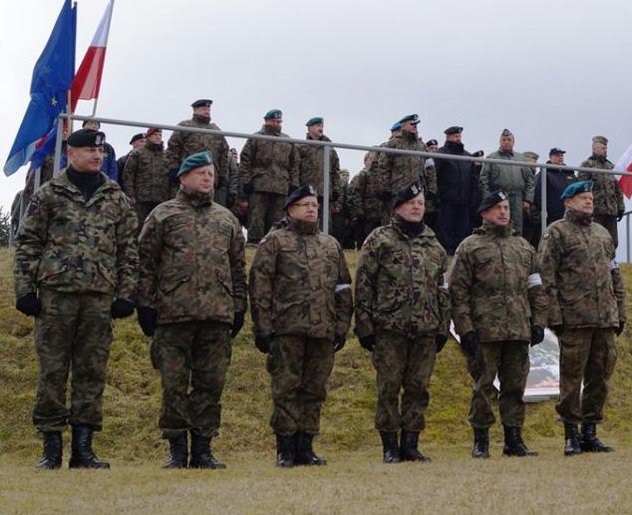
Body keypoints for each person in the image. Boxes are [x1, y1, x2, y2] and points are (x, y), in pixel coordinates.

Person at [13, 128, 139, 470]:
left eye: (101, 152)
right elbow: (28, 244)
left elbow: (129, 249)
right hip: (56, 296)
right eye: (90, 151)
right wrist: (25, 290)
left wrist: (126, 294)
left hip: (99, 297)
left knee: (91, 371)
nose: (98, 156)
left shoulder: (115, 196)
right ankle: (51, 446)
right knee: (53, 371)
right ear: (71, 152)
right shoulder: (49, 194)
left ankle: (83, 448)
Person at [137, 151, 247, 469]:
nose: (207, 178)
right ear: (183, 178)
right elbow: (145, 264)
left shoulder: (226, 219)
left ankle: (202, 448)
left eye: (211, 173)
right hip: (172, 314)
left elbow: (237, 267)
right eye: (200, 173)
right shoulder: (162, 215)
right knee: (173, 384)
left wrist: (239, 307)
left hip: (216, 314)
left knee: (210, 385)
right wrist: (145, 305)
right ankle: (176, 449)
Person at [249, 186, 353, 467]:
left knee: (314, 390)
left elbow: (343, 289)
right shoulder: (274, 242)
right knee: (286, 390)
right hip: (286, 330)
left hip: (322, 331)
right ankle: (285, 448)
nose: (311, 209)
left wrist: (341, 326)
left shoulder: (330, 244)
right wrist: (263, 328)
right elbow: (260, 287)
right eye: (305, 204)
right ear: (290, 209)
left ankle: (306, 446)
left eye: (315, 205)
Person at [354, 181, 450, 463]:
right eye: (411, 203)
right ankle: (389, 446)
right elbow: (364, 284)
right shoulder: (379, 239)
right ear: (398, 207)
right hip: (389, 328)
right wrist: (364, 326)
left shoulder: (434, 245)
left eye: (420, 203)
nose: (417, 207)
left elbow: (443, 290)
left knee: (418, 389)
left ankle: (411, 443)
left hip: (425, 330)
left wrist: (443, 327)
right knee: (389, 387)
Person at [449, 190, 548, 458]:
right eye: (496, 208)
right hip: (484, 330)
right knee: (483, 386)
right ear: (484, 214)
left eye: (505, 207)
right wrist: (465, 328)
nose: (503, 212)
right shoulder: (470, 246)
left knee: (515, 386)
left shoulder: (524, 247)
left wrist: (539, 323)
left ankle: (513, 439)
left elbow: (536, 289)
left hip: (518, 329)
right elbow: (457, 292)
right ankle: (481, 440)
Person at [537, 180, 626, 456]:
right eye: (583, 198)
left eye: (590, 197)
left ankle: (590, 431)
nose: (589, 201)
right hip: (575, 317)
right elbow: (546, 276)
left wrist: (620, 311)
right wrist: (553, 315)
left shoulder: (602, 233)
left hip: (604, 319)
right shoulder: (556, 232)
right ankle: (570, 433)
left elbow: (615, 274)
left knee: (600, 377)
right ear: (568, 202)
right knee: (572, 378)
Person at [238, 109, 299, 243]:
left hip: (281, 185)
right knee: (256, 217)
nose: (277, 124)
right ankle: (254, 243)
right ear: (266, 121)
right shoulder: (256, 138)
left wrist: (294, 184)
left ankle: (275, 244)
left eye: (279, 121)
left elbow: (294, 164)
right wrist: (246, 182)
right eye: (274, 121)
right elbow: (245, 161)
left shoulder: (287, 140)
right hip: (259, 183)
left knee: (278, 219)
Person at [372, 114, 437, 222]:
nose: (415, 126)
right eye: (412, 124)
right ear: (403, 126)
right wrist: (384, 189)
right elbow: (383, 167)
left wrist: (432, 189)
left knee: (416, 223)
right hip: (398, 192)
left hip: (417, 192)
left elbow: (430, 168)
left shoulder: (422, 146)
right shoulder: (393, 144)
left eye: (416, 124)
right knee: (395, 223)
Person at [165, 99, 231, 206]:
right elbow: (173, 148)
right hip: (189, 175)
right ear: (195, 110)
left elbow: (224, 153)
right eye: (204, 109)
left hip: (210, 177)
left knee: (208, 208)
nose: (207, 111)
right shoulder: (185, 126)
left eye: (208, 109)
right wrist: (174, 168)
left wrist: (223, 175)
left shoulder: (216, 130)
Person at [479, 129, 534, 236]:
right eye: (503, 140)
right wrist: (488, 199)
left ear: (513, 142)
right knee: (496, 224)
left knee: (516, 226)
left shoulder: (521, 159)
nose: (506, 142)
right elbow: (483, 180)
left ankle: (517, 250)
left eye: (509, 140)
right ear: (499, 142)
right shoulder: (492, 158)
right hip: (498, 197)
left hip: (517, 198)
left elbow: (530, 181)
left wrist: (528, 199)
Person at [435, 126, 476, 255]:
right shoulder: (440, 154)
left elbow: (473, 179)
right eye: (455, 136)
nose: (458, 139)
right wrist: (437, 197)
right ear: (448, 137)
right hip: (446, 200)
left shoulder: (467, 157)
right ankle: (446, 255)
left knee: (463, 230)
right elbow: (434, 177)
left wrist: (473, 197)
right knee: (445, 229)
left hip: (464, 200)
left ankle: (460, 255)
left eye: (459, 136)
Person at [578, 136, 625, 247]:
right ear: (594, 149)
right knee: (595, 240)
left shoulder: (611, 167)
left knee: (612, 241)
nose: (605, 151)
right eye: (603, 148)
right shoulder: (587, 165)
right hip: (595, 209)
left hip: (611, 209)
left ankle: (611, 263)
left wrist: (621, 206)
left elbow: (618, 188)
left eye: (606, 148)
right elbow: (582, 188)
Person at [122, 127, 172, 225]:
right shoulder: (138, 153)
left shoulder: (166, 155)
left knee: (158, 226)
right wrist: (130, 194)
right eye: (155, 135)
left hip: (162, 198)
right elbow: (128, 174)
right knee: (139, 226)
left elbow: (171, 176)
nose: (158, 137)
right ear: (149, 137)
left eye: (160, 135)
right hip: (142, 198)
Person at [297, 117, 342, 222]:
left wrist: (336, 190)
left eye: (322, 126)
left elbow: (335, 172)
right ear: (309, 128)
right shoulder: (301, 147)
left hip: (325, 193)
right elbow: (296, 169)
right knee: (306, 221)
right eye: (318, 126)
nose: (321, 128)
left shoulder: (330, 149)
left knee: (325, 224)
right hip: (307, 192)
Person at [532, 147, 576, 246]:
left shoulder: (570, 174)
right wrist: (543, 210)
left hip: (569, 215)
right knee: (551, 242)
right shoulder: (545, 173)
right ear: (550, 157)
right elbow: (538, 194)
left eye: (561, 155)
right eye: (557, 155)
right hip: (552, 216)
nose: (560, 158)